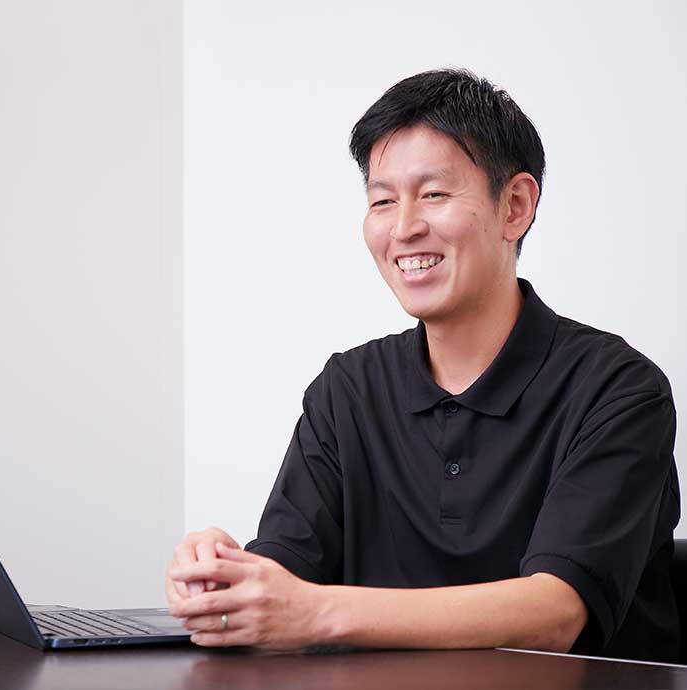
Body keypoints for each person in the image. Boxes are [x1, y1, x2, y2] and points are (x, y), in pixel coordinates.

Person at [165, 68, 681, 663]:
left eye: (433, 194)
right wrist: (227, 578)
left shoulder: (619, 390)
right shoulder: (347, 390)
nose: (404, 227)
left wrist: (317, 612)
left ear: (515, 206)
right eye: (382, 200)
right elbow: (286, 576)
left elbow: (555, 615)